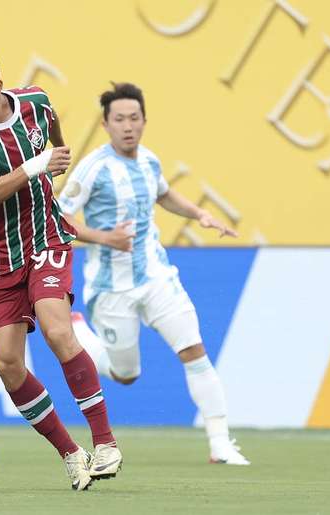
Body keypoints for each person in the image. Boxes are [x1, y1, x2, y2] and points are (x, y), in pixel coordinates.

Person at [0, 49, 123, 491]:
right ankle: (71, 453)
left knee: (58, 328)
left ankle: (105, 442)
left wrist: (53, 160)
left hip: (45, 237)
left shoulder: (35, 102)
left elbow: (54, 136)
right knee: (7, 364)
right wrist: (35, 166)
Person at [57, 82, 249, 465]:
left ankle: (220, 443)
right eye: (119, 119)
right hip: (112, 288)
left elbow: (162, 193)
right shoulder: (93, 168)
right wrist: (104, 238)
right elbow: (58, 216)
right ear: (106, 124)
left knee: (194, 351)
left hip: (158, 276)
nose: (128, 126)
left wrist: (200, 214)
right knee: (126, 374)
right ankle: (78, 328)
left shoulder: (149, 161)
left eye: (134, 118)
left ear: (144, 121)